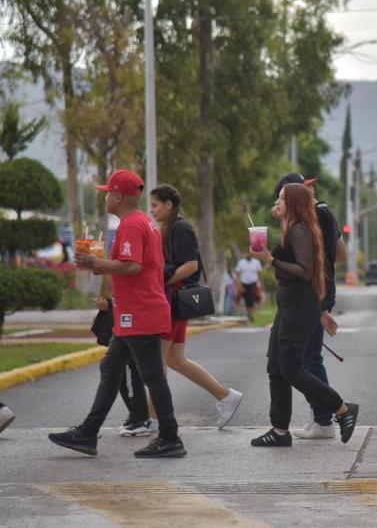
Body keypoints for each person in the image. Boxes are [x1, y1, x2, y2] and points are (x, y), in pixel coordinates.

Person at [49, 169, 185, 458]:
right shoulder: (144, 222)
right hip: (133, 313)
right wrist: (101, 264)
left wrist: (97, 262)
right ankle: (88, 433)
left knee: (152, 376)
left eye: (108, 193)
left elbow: (132, 266)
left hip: (140, 312)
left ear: (119, 196)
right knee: (111, 369)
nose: (106, 198)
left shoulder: (131, 225)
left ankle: (171, 437)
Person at [248, 183, 358, 447]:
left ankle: (342, 409)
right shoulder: (292, 228)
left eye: (282, 198)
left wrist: (270, 259)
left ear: (294, 203)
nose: (277, 202)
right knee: (275, 367)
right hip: (289, 307)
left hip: (298, 309)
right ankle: (279, 430)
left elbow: (304, 271)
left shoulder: (299, 230)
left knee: (291, 369)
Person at [149, 184, 243, 429]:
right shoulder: (169, 227)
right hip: (176, 301)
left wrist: (163, 281)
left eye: (155, 205)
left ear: (169, 205)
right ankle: (225, 396)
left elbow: (191, 265)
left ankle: (152, 418)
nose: (152, 211)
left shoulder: (181, 228)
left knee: (156, 361)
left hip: (173, 300)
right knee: (176, 360)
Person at [273, 173, 347, 441]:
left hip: (315, 292)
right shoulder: (314, 216)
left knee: (309, 359)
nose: (311, 192)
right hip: (315, 292)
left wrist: (321, 304)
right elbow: (341, 253)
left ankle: (325, 418)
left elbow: (330, 258)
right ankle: (323, 416)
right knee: (305, 358)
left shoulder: (317, 217)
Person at [92, 294, 152, 436]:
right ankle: (136, 416)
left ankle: (141, 419)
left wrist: (110, 306)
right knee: (124, 376)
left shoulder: (132, 272)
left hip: (130, 325)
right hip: (126, 324)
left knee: (130, 377)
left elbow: (134, 299)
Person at [235, 252, 264, 323]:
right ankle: (248, 314)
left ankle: (250, 315)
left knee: (252, 300)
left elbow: (260, 274)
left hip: (253, 284)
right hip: (244, 284)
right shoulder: (241, 262)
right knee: (244, 300)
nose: (248, 255)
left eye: (249, 254)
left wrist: (261, 285)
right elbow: (238, 273)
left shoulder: (256, 262)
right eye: (247, 254)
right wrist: (238, 284)